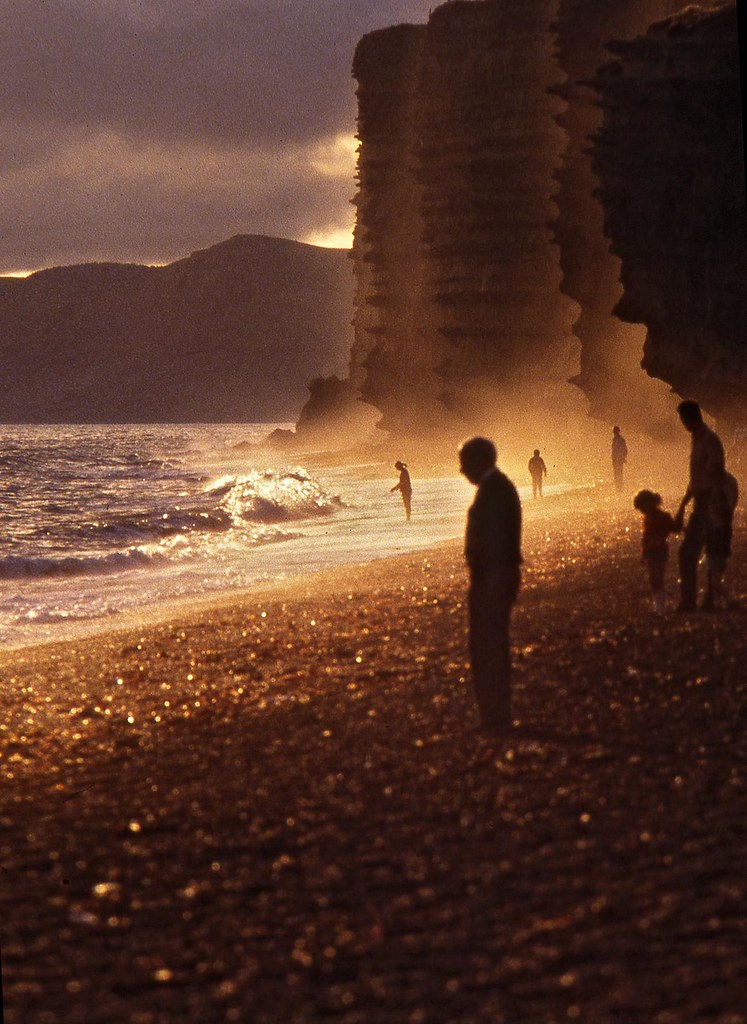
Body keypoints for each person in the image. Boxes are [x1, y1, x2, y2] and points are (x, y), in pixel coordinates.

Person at [459, 437, 522, 733]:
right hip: (496, 574)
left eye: (464, 463)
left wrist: (482, 573)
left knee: (488, 645)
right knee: (492, 643)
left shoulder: (494, 490)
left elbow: (493, 540)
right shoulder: (498, 487)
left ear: (479, 460)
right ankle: (496, 714)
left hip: (493, 577)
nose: (461, 471)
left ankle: (495, 717)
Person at [674, 399, 726, 611]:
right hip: (700, 502)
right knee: (698, 553)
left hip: (710, 503)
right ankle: (700, 601)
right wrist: (683, 505)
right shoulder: (696, 439)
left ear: (691, 418)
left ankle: (696, 602)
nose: (683, 424)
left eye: (683, 419)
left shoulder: (709, 440)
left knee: (696, 553)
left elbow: (716, 472)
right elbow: (696, 477)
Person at [633, 489, 678, 614]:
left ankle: (660, 605)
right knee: (656, 577)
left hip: (657, 550)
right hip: (655, 550)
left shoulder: (660, 517)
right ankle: (659, 604)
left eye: (642, 508)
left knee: (656, 577)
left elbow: (672, 528)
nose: (642, 511)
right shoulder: (652, 517)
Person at [702, 470, 738, 610]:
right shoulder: (727, 480)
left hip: (718, 534)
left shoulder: (723, 482)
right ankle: (714, 600)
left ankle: (728, 600)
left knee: (715, 573)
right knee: (713, 570)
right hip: (718, 533)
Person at [611, 425, 628, 493]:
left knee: (619, 474)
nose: (615, 433)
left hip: (618, 459)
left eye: (615, 432)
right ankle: (618, 488)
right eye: (614, 432)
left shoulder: (620, 440)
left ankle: (619, 489)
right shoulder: (615, 439)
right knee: (616, 473)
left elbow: (625, 449)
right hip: (615, 459)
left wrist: (622, 457)